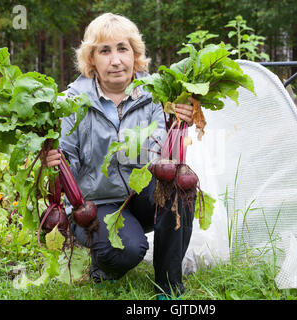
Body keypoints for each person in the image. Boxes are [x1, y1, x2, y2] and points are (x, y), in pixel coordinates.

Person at [43, 12, 195, 299]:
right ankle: (104, 265)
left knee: (180, 191)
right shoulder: (70, 103)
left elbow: (160, 158)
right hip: (94, 203)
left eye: (122, 49)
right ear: (91, 60)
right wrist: (54, 164)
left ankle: (168, 286)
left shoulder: (153, 95)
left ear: (135, 55)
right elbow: (69, 166)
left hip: (138, 194)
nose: (115, 60)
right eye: (105, 51)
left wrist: (177, 119)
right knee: (129, 249)